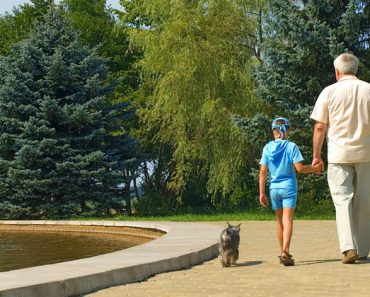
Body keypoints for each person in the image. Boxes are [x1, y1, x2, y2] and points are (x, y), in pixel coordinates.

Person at [311, 52, 370, 264]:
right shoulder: (368, 89)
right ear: (356, 70)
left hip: (338, 155)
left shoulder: (329, 92)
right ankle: (363, 249)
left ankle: (348, 248)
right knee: (364, 202)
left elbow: (319, 126)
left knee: (342, 201)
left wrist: (316, 156)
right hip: (366, 154)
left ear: (337, 72)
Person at [259, 117, 323, 266]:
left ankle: (282, 251)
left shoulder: (267, 148)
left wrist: (262, 193)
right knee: (288, 220)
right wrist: (315, 169)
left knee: (279, 221)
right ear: (286, 130)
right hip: (288, 187)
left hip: (274, 189)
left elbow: (263, 171)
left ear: (273, 131)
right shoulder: (291, 146)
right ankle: (285, 252)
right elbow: (300, 168)